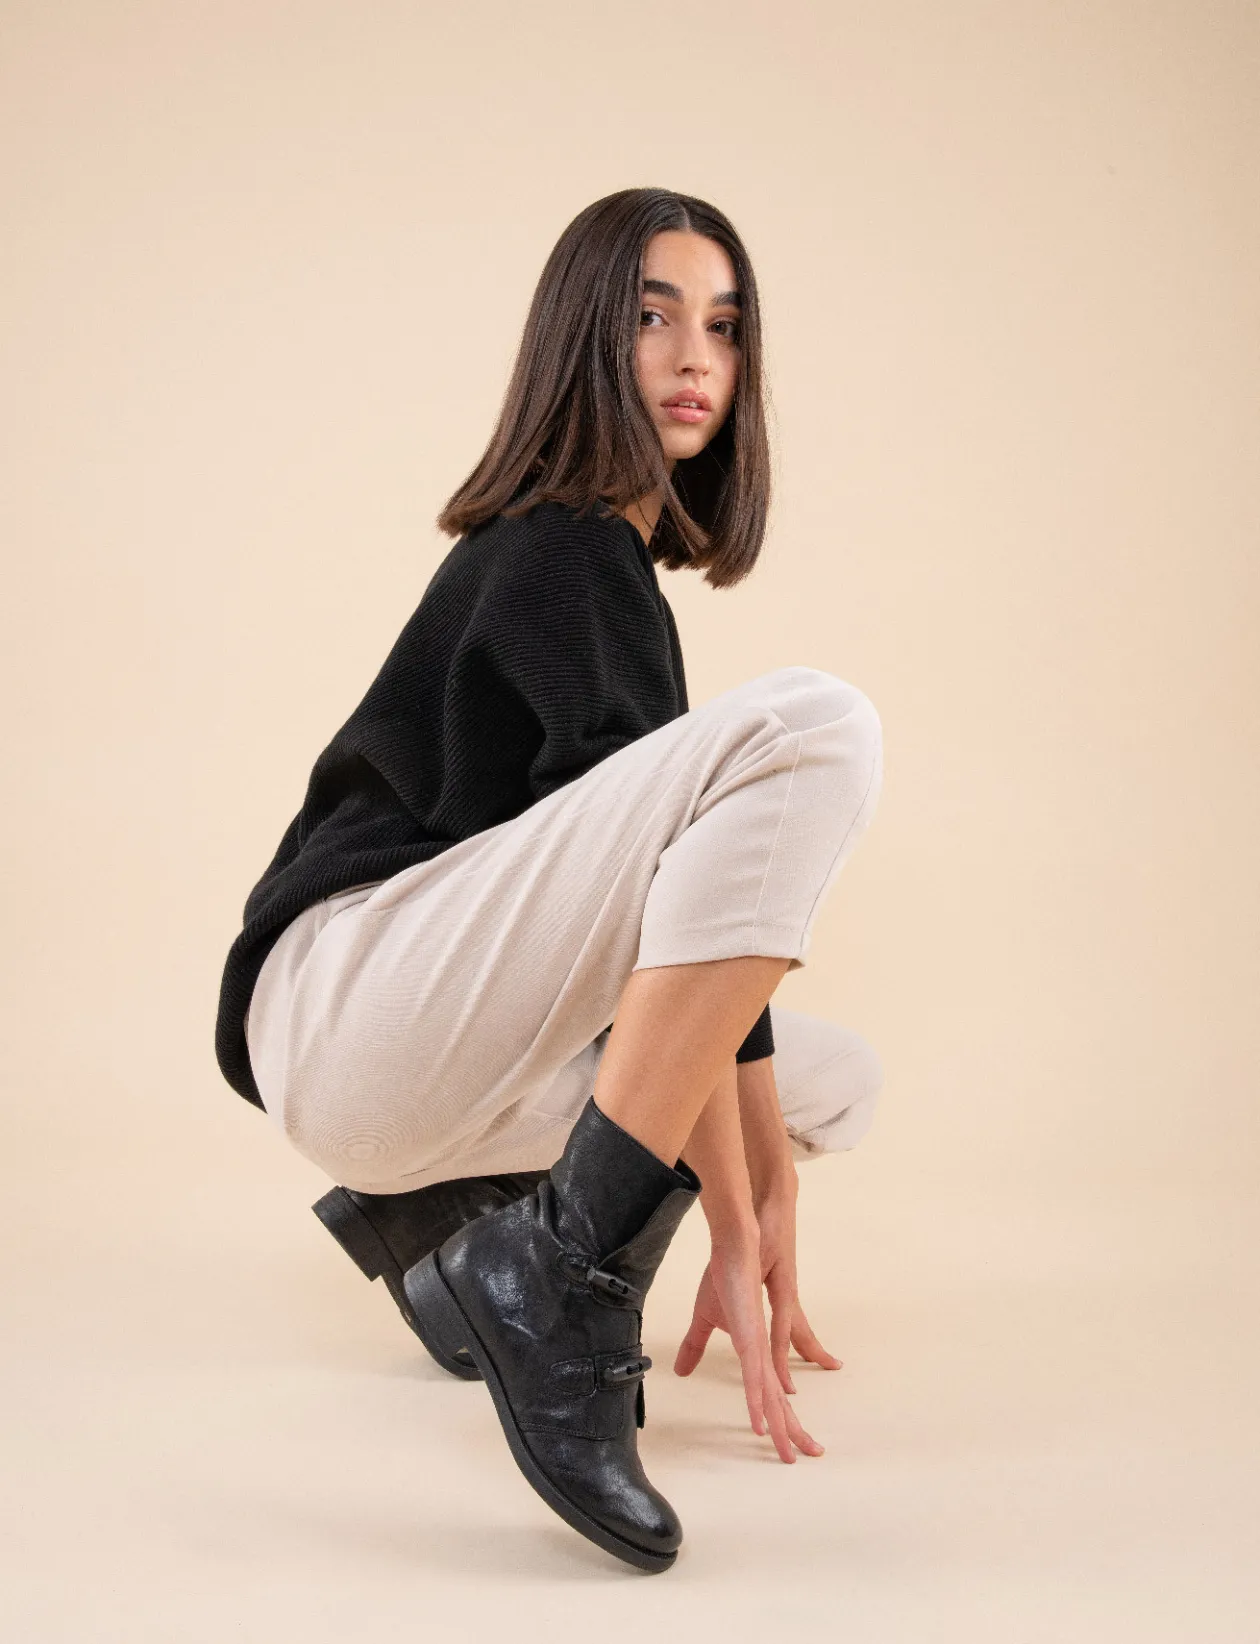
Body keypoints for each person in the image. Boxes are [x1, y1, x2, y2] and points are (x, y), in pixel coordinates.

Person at [214, 187, 885, 1574]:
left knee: (830, 1089)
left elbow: (698, 956)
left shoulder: (612, 566)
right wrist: (731, 1218)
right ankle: (555, 1279)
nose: (695, 358)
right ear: (583, 337)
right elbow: (666, 935)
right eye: (652, 317)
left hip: (419, 1052)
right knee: (816, 725)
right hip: (355, 995)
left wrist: (768, 1195)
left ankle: (448, 1233)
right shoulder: (563, 545)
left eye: (725, 327)